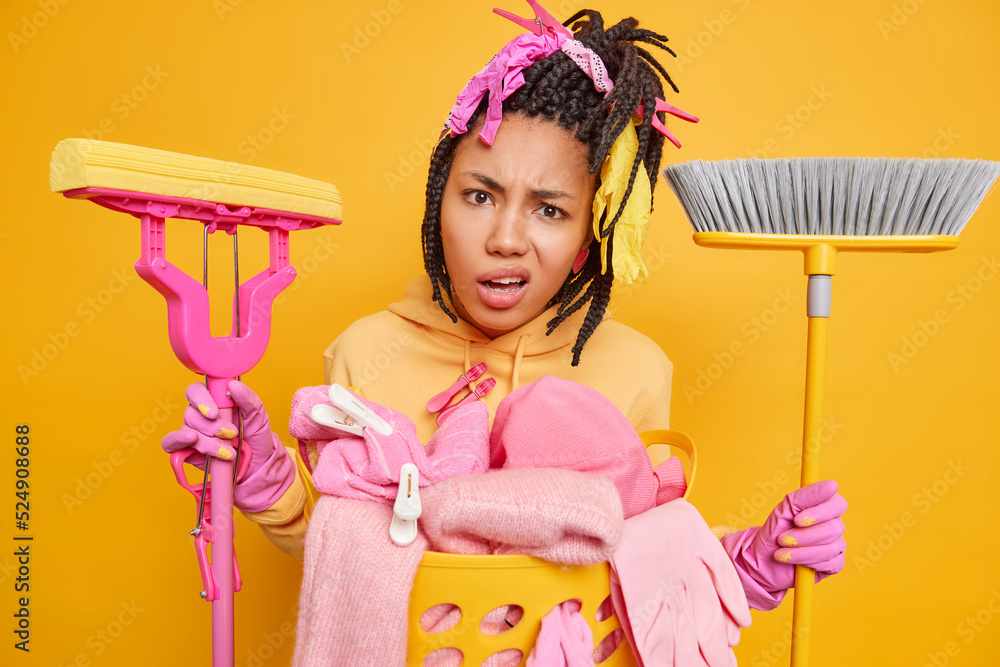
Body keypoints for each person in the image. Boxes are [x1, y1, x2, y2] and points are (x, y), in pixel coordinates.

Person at [162, 0, 845, 615]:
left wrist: (754, 561)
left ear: (586, 240)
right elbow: (344, 551)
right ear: (440, 200)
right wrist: (265, 475)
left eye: (550, 209)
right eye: (480, 195)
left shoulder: (635, 369)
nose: (506, 239)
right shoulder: (365, 352)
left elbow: (641, 550)